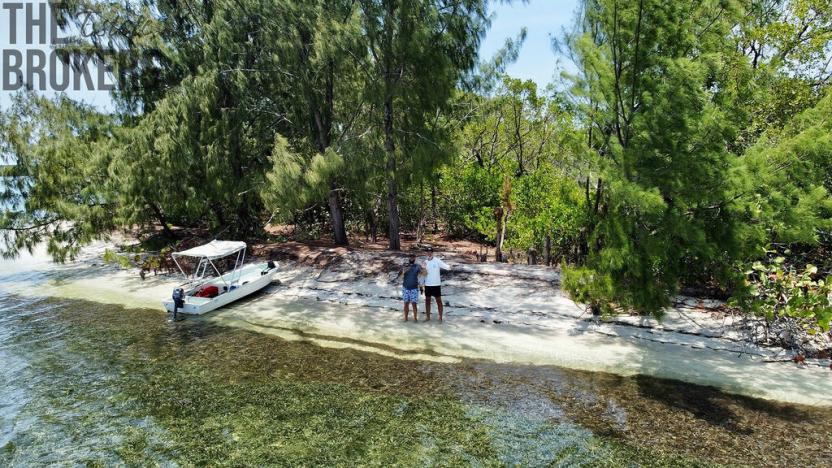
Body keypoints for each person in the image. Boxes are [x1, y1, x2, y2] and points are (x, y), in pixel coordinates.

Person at [422, 247, 450, 322]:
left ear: (432, 252)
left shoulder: (437, 260)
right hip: (427, 285)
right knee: (427, 301)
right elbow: (423, 274)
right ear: (426, 253)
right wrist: (423, 268)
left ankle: (440, 317)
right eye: (428, 252)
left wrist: (450, 267)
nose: (429, 253)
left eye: (430, 251)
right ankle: (428, 317)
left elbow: (446, 267)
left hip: (436, 285)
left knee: (439, 301)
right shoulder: (425, 262)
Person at [398, 254, 422, 321]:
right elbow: (399, 278)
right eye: (410, 257)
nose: (411, 258)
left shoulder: (417, 266)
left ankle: (415, 319)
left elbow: (423, 275)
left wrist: (421, 286)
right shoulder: (404, 266)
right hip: (405, 288)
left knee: (414, 304)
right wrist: (403, 272)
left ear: (415, 258)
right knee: (406, 303)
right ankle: (405, 318)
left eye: (413, 257)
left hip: (414, 288)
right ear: (409, 258)